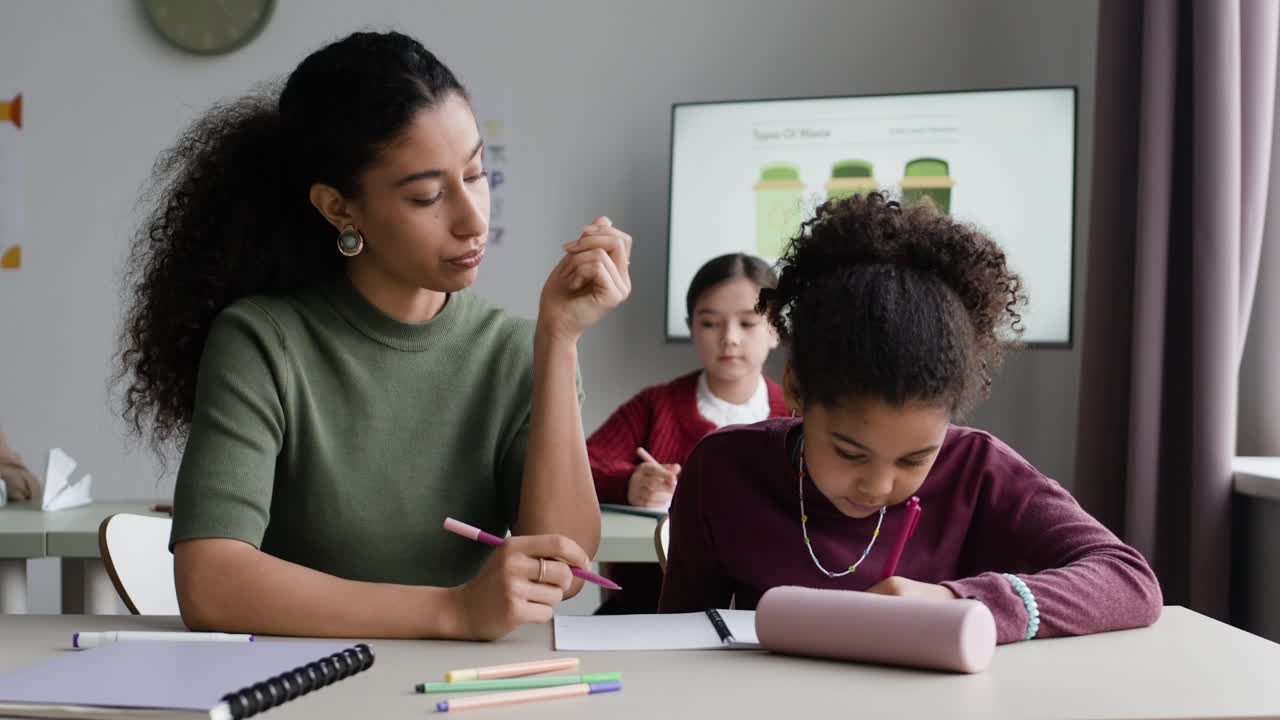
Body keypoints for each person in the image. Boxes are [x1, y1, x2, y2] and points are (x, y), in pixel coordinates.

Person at [117, 31, 631, 641]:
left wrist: (559, 340)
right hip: (304, 680)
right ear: (339, 208)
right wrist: (453, 611)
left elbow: (564, 568)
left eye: (476, 174)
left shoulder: (520, 349)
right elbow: (211, 584)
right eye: (427, 196)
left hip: (466, 683)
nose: (472, 220)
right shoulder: (262, 342)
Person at [658, 192, 1162, 644]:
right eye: (850, 452)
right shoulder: (723, 469)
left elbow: (1129, 580)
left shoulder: (977, 470)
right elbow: (675, 640)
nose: (878, 486)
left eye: (915, 458)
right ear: (795, 390)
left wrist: (958, 602)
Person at [587, 253, 788, 612]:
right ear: (691, 328)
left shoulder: (799, 414)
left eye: (747, 323)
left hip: (769, 616)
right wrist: (629, 483)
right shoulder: (655, 405)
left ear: (775, 329)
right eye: (710, 323)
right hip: (649, 610)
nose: (729, 338)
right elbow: (579, 466)